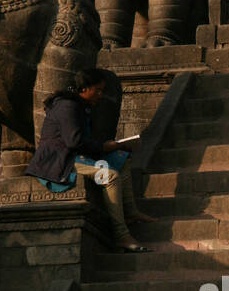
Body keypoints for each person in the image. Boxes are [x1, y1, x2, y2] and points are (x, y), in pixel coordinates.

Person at [26, 66, 157, 253]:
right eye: (98, 90)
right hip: (59, 161)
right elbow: (74, 142)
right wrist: (105, 147)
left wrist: (114, 147)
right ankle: (121, 235)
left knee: (122, 158)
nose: (100, 95)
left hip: (74, 155)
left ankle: (130, 211)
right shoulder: (67, 106)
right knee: (110, 176)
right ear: (84, 89)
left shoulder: (80, 106)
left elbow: (83, 142)